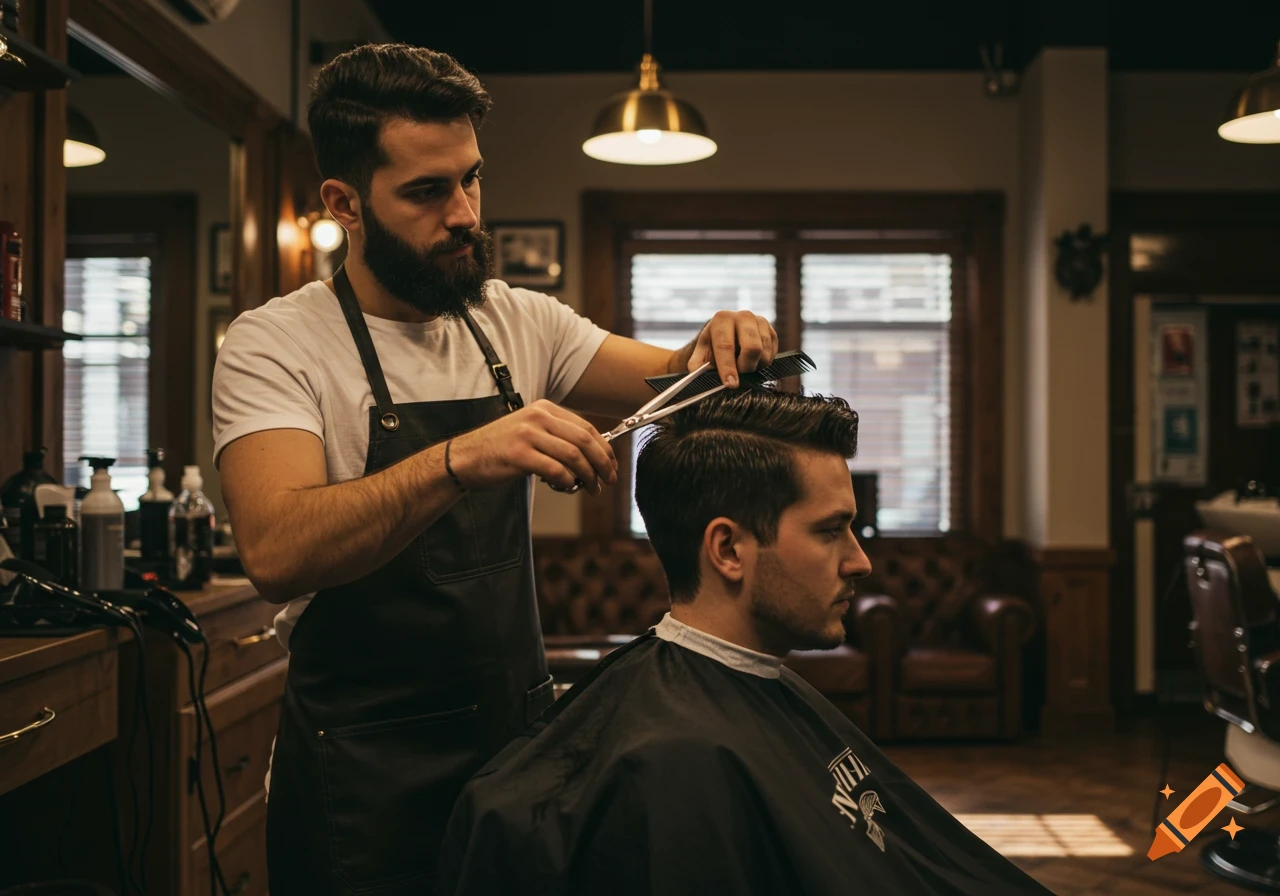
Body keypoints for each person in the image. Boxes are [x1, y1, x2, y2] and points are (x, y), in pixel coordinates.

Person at [211, 43, 779, 896]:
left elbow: (679, 378)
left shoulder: (512, 319)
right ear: (344, 203)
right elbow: (277, 548)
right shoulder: (276, 344)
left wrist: (722, 341)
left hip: (513, 753)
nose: (465, 215)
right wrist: (459, 459)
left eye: (471, 180)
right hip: (360, 777)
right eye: (427, 192)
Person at [436, 389, 1054, 896]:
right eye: (831, 531)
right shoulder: (675, 765)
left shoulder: (748, 692)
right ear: (728, 549)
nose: (860, 562)